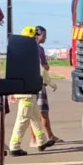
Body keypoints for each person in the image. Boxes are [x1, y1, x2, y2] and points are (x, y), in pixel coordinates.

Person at [9, 26, 54, 156]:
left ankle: (42, 141)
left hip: (28, 92)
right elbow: (42, 70)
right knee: (22, 120)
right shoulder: (32, 52)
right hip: (27, 93)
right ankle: (15, 146)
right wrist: (50, 82)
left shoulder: (18, 52)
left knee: (35, 118)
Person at [33, 25, 63, 145]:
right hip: (40, 83)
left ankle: (34, 139)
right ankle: (50, 135)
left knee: (32, 113)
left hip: (31, 84)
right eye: (43, 35)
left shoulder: (28, 48)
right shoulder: (39, 50)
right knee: (43, 112)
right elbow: (45, 67)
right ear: (37, 35)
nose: (45, 38)